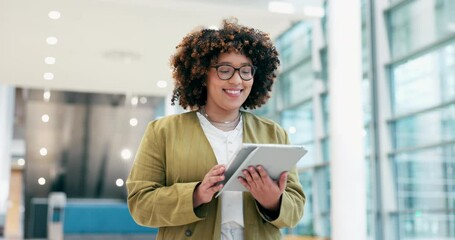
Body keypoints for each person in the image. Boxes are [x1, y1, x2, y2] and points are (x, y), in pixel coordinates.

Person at [126, 18, 305, 240]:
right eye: (225, 70)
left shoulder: (274, 133)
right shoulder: (163, 131)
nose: (237, 80)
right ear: (202, 74)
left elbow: (296, 209)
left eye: (245, 70)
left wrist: (273, 201)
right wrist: (196, 194)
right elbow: (140, 205)